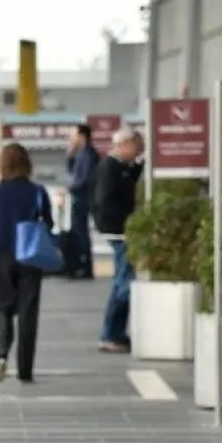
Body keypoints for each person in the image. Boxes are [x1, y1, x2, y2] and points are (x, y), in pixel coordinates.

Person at [0, 143, 55, 383]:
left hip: (2, 257)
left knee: (1, 308)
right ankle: (25, 369)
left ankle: (1, 356)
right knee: (28, 312)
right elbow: (49, 223)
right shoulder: (38, 191)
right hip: (30, 257)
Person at [92, 127, 145, 354]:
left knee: (123, 282)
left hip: (121, 231)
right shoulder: (110, 168)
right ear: (124, 144)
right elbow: (107, 203)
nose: (140, 149)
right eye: (137, 144)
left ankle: (116, 334)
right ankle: (110, 334)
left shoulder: (124, 168)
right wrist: (127, 224)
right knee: (123, 284)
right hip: (119, 232)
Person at [64, 124, 100, 279]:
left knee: (81, 232)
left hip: (83, 197)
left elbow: (84, 179)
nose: (71, 139)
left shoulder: (89, 155)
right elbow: (72, 173)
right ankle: (79, 264)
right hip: (78, 197)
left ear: (82, 136)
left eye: (74, 135)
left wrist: (71, 187)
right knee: (78, 231)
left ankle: (84, 266)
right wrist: (70, 157)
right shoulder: (80, 154)